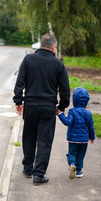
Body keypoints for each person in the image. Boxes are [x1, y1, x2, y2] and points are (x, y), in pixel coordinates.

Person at [13, 34, 70, 185]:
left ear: (39, 46)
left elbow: (20, 82)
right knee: (45, 140)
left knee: (29, 137)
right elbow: (65, 90)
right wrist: (61, 107)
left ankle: (27, 168)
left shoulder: (28, 59)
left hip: (30, 105)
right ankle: (39, 175)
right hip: (48, 107)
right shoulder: (58, 64)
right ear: (53, 47)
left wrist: (18, 101)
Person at [57, 87, 95, 179]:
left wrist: (60, 114)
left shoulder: (72, 111)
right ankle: (78, 171)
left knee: (72, 153)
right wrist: (92, 137)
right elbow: (91, 126)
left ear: (74, 99)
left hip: (73, 139)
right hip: (84, 140)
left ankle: (72, 165)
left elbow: (67, 122)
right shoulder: (88, 113)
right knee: (81, 155)